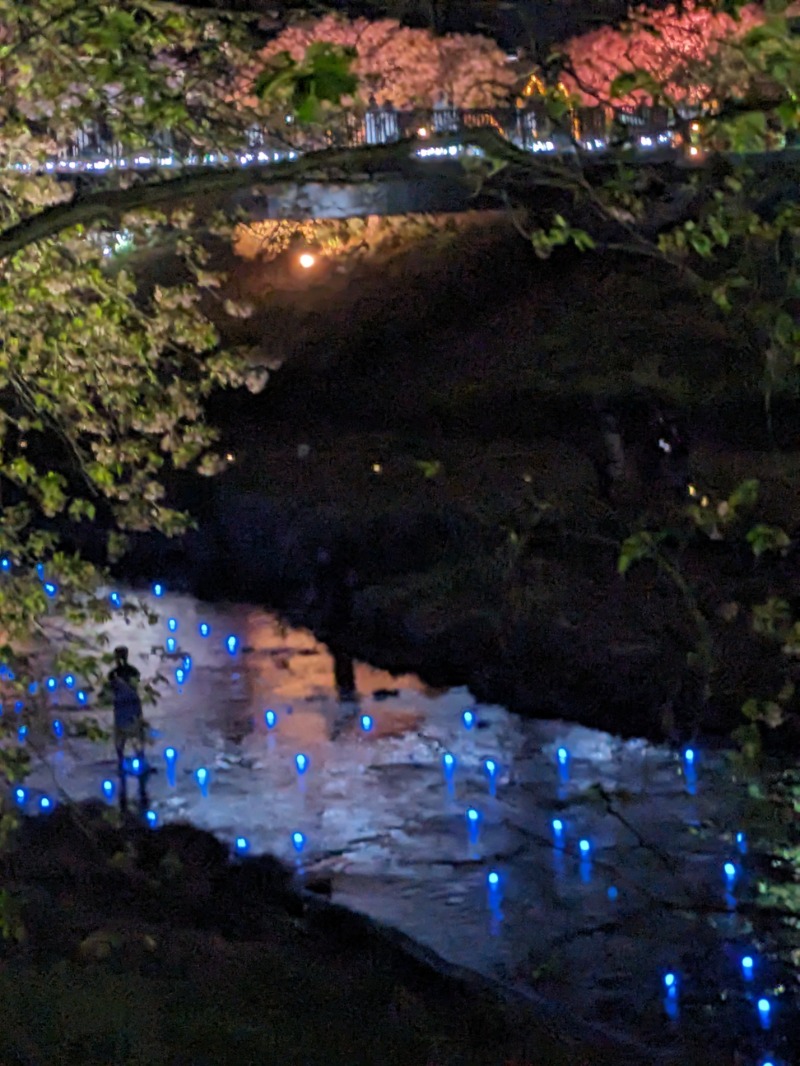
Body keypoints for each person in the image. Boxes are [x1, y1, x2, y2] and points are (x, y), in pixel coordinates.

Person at [107, 646, 145, 776]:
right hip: (131, 705)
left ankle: (122, 762)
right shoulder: (133, 672)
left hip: (122, 707)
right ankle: (139, 759)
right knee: (135, 734)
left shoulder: (113, 675)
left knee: (122, 736)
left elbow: (110, 690)